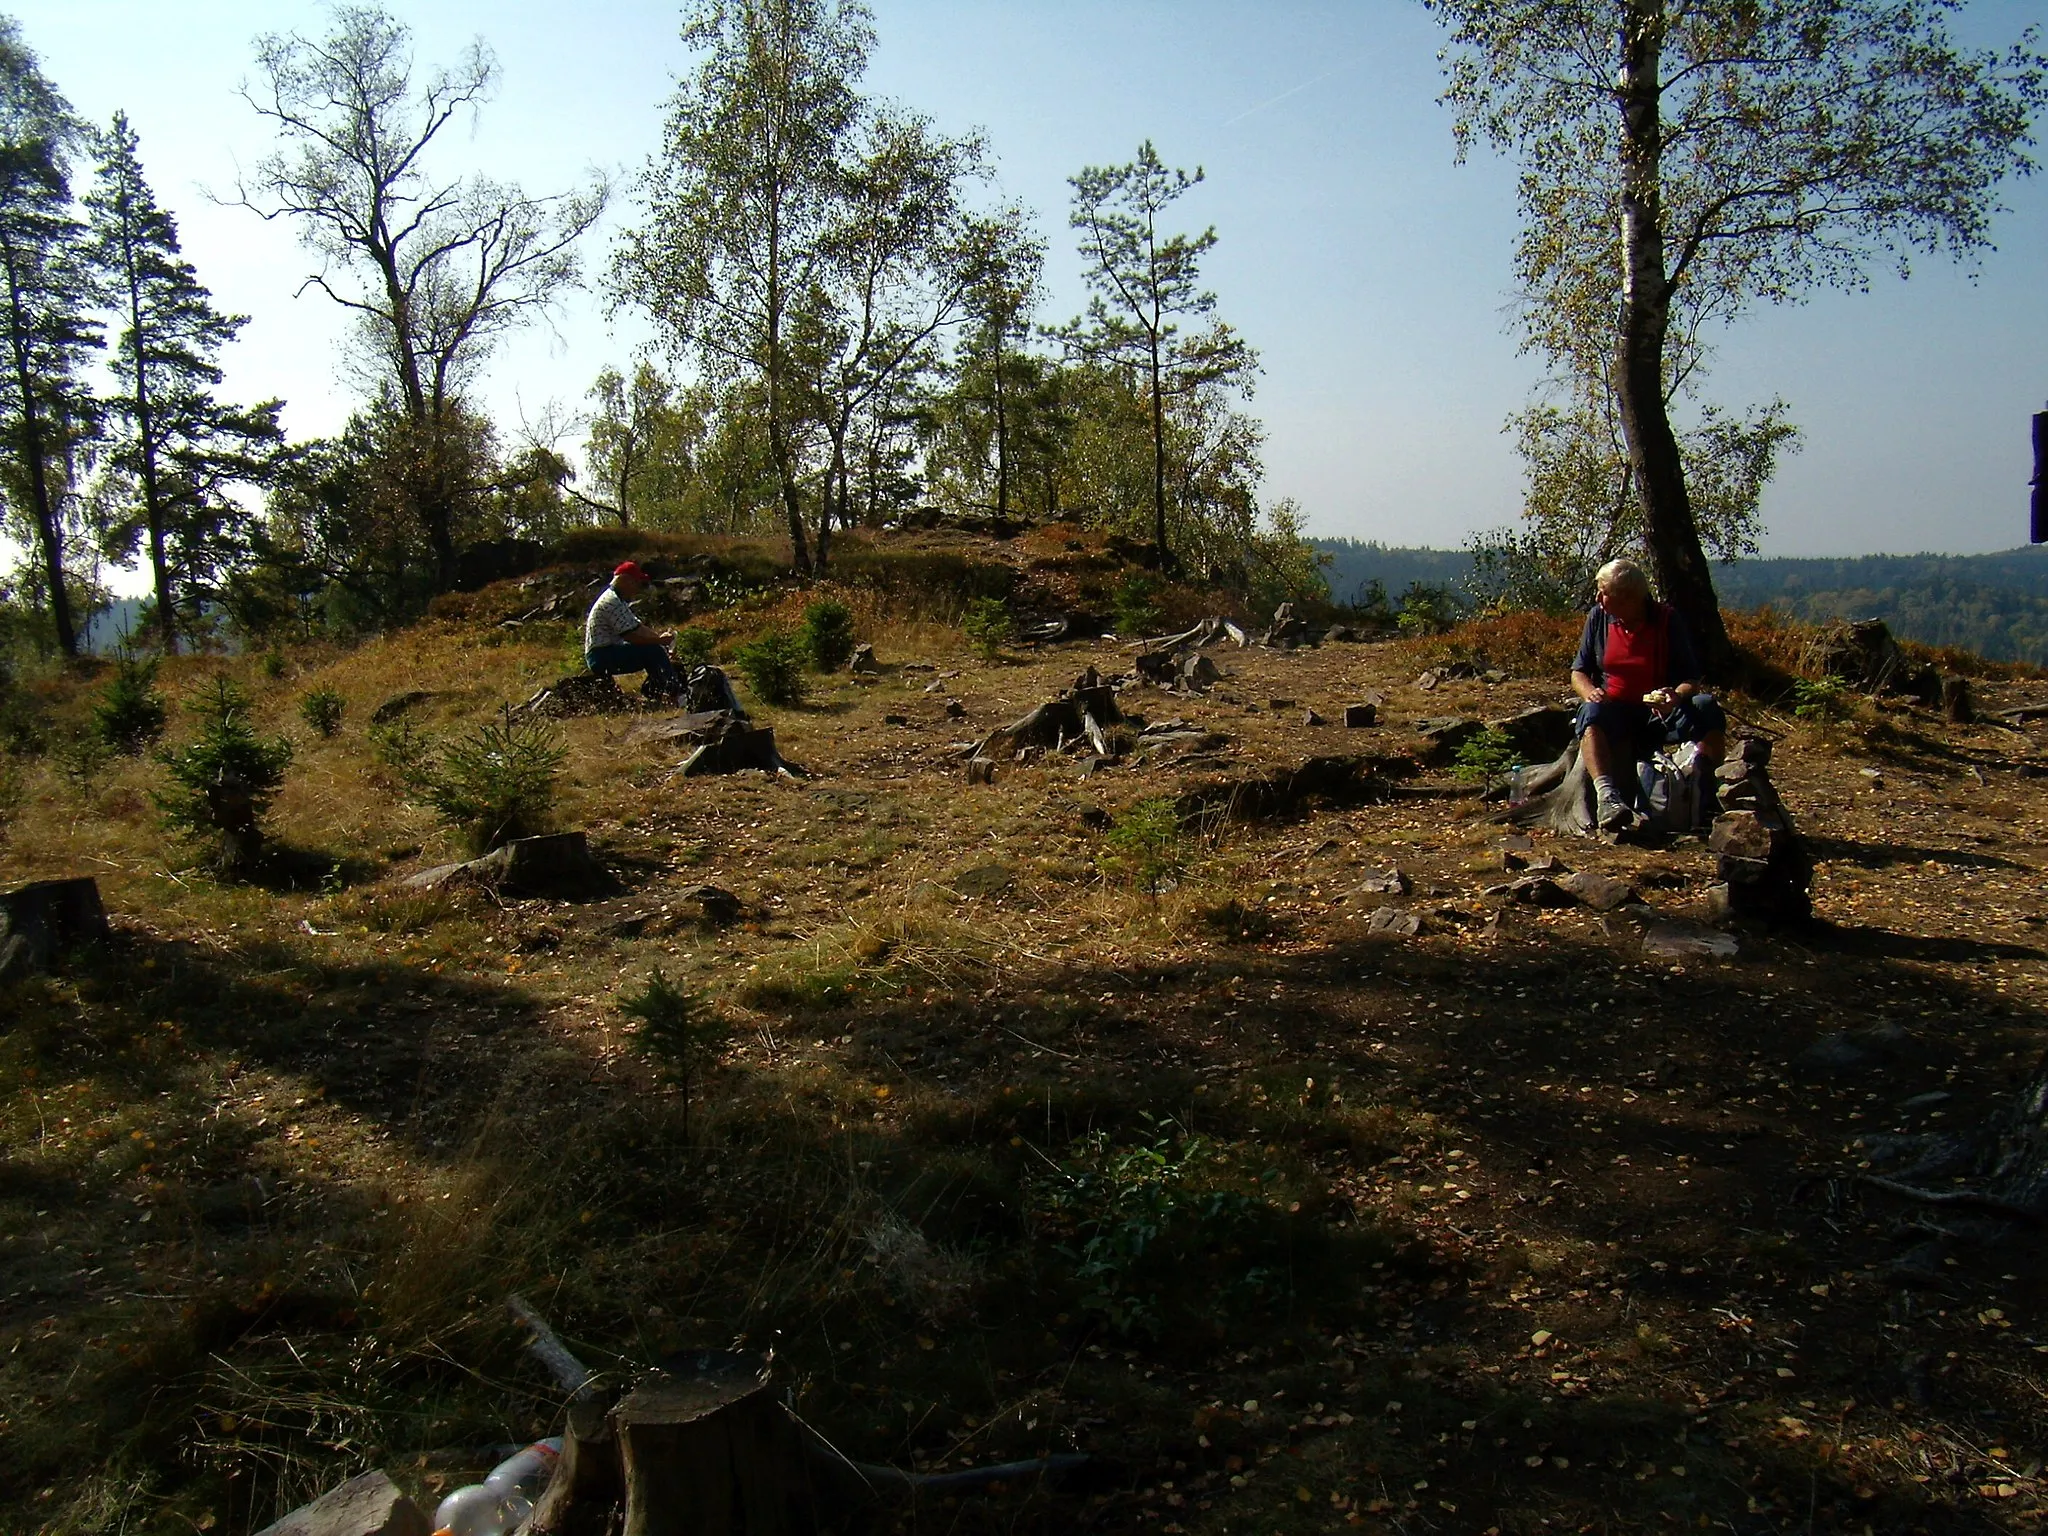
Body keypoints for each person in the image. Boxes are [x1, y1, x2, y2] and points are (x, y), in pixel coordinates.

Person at [1569, 558, 1726, 832]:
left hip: (1658, 715)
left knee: (1706, 708)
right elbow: (1578, 672)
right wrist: (1590, 692)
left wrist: (1674, 696)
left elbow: (1691, 679)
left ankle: (1706, 787)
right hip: (1615, 710)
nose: (1599, 598)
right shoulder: (1599, 618)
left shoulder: (1666, 620)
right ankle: (1607, 797)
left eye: (1605, 593)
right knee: (1590, 714)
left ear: (1629, 599)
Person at [584, 561, 682, 700]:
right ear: (626, 581)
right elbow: (631, 636)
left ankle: (659, 690)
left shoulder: (617, 600)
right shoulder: (611, 602)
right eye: (637, 583)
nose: (638, 588)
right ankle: (673, 693)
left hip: (605, 652)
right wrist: (659, 641)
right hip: (601, 655)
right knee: (652, 651)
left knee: (654, 650)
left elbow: (637, 627)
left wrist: (660, 641)